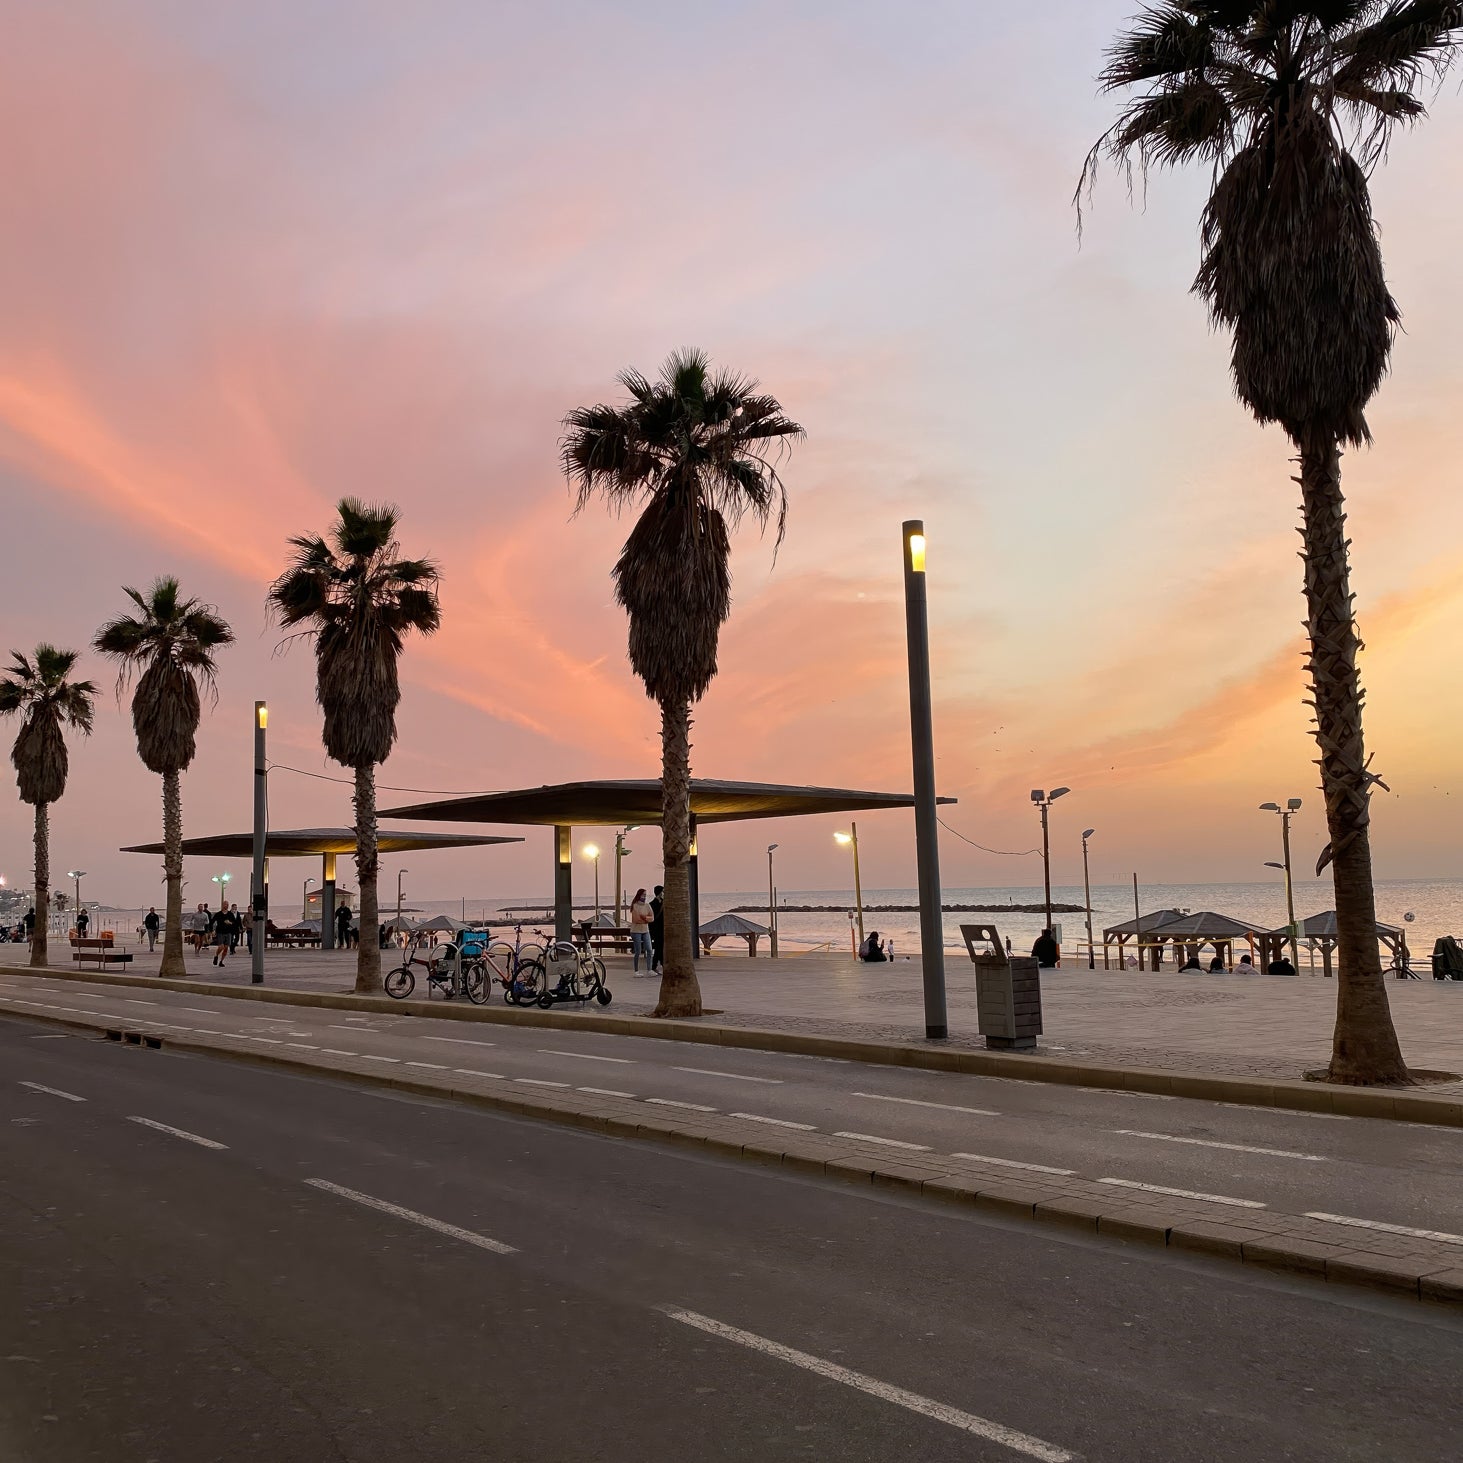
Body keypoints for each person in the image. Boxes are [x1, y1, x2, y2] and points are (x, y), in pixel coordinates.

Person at [628, 888, 654, 973]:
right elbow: (636, 919)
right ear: (639, 895)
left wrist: (645, 918)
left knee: (649, 949)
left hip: (645, 930)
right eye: (643, 895)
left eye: (645, 895)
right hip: (636, 931)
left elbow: (652, 918)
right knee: (638, 951)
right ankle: (636, 970)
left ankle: (649, 969)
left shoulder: (647, 905)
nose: (644, 897)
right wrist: (646, 920)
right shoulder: (635, 905)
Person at [649, 885, 665, 973]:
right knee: (659, 947)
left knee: (660, 948)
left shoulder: (663, 902)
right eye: (663, 892)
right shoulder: (652, 904)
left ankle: (656, 965)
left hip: (662, 929)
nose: (664, 893)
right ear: (659, 893)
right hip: (656, 930)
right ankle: (656, 965)